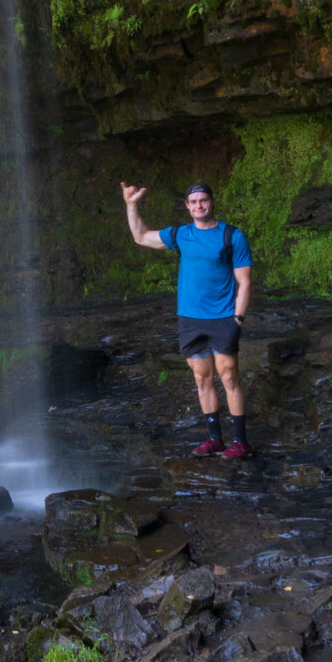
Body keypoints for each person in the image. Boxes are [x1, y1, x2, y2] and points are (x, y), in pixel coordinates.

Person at [121, 180, 255, 459]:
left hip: (222, 317)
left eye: (203, 200)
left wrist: (238, 320)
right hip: (190, 320)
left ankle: (240, 442)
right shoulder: (181, 234)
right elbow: (141, 237)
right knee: (201, 378)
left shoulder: (232, 236)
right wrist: (131, 205)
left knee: (228, 375)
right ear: (187, 206)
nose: (199, 206)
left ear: (212, 202)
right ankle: (215, 439)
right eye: (193, 202)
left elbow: (244, 282)